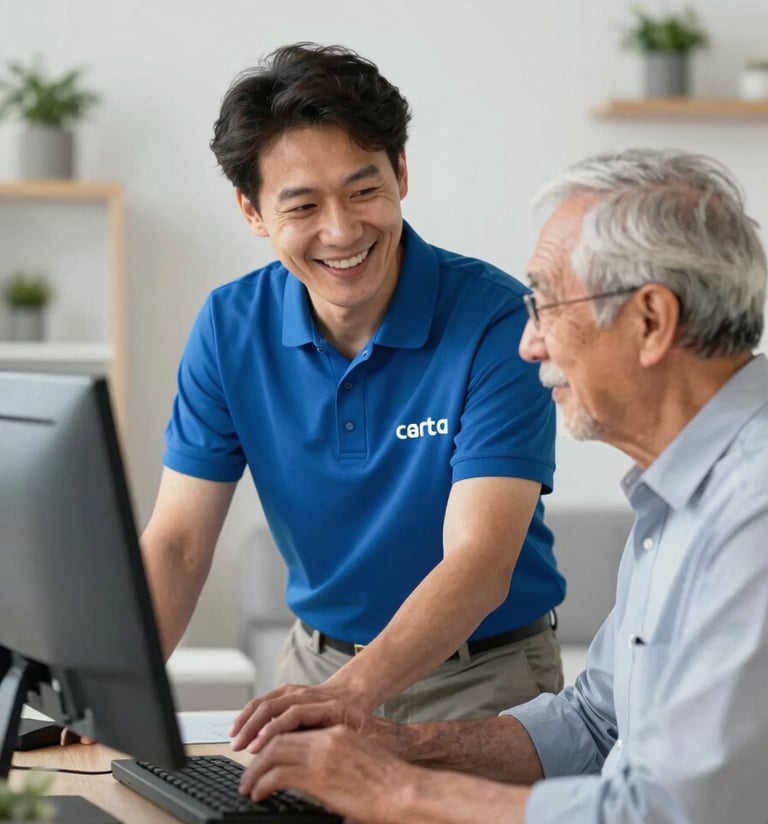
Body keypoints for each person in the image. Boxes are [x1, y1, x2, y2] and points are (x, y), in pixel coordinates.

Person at [234, 148, 768, 824]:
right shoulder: (682, 495)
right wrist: (400, 746)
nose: (530, 344)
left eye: (547, 305)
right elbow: (595, 722)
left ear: (651, 321)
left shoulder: (753, 513)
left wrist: (395, 791)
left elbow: (671, 814)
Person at [140, 41, 564, 727]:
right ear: (252, 213)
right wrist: (113, 695)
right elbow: (179, 544)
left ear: (401, 171)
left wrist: (350, 696)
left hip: (483, 680)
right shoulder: (228, 327)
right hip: (316, 667)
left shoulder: (496, 321)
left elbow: (480, 562)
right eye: (302, 206)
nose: (342, 231)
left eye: (364, 190)